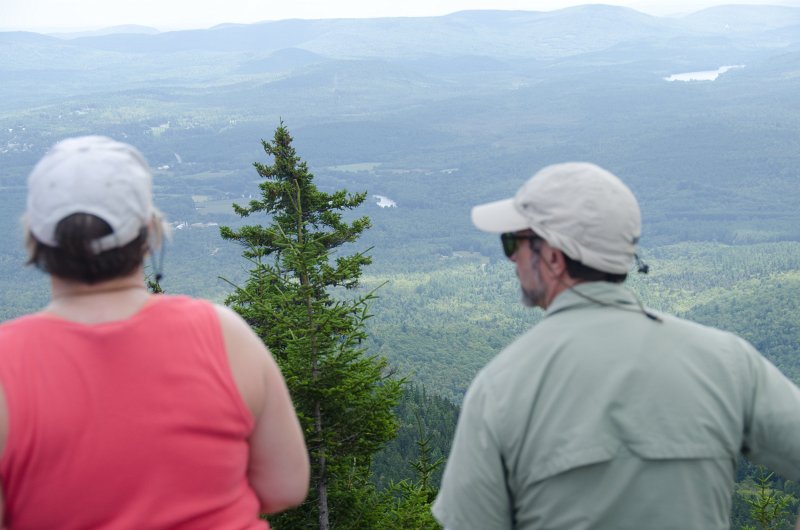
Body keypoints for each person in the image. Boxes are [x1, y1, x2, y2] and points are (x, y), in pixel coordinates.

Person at [432, 162, 800, 530]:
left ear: (554, 258)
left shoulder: (501, 387)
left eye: (513, 242)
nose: (511, 257)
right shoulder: (728, 362)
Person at [0, 136, 309, 529]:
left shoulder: (7, 365)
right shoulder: (223, 335)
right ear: (149, 233)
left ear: (34, 238)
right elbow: (286, 486)